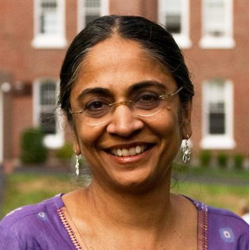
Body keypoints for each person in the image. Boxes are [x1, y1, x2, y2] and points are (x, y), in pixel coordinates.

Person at [0, 15, 248, 250]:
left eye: (147, 98)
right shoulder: (25, 240)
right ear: (73, 130)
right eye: (96, 105)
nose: (124, 125)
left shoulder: (235, 239)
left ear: (184, 114)